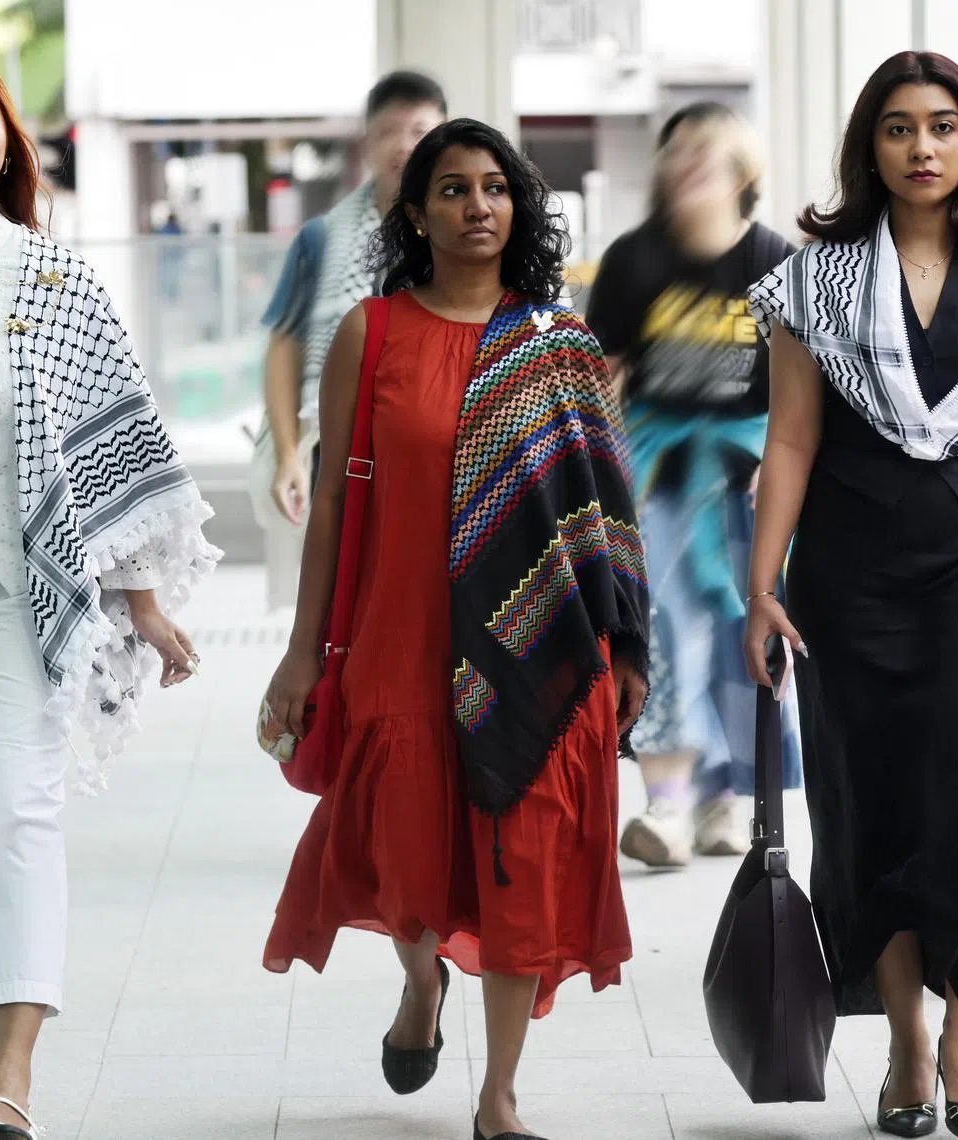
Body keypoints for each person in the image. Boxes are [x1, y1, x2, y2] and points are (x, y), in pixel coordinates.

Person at [261, 118, 649, 1140]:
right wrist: (304, 652)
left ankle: (499, 1098)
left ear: (518, 207)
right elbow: (339, 507)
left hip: (540, 646)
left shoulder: (557, 346)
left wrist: (629, 648)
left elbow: (606, 507)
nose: (477, 207)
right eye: (452, 190)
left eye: (495, 188)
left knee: (522, 858)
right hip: (403, 642)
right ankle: (423, 977)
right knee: (411, 855)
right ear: (417, 213)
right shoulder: (371, 333)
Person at [745, 51, 958, 1139]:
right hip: (849, 564)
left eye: (943, 127)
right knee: (867, 797)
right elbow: (790, 437)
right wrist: (758, 587)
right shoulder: (811, 277)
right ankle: (908, 1041)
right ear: (867, 147)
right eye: (897, 129)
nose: (922, 148)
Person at [0, 50, 219, 1138]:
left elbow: (114, 449)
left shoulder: (57, 281)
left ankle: (11, 1065)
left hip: (22, 585)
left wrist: (141, 599)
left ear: (8, 138)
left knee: (17, 808)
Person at [586, 102, 801, 868]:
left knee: (742, 641)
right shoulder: (633, 260)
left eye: (708, 155)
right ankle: (667, 805)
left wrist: (780, 471)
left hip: (749, 482)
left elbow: (801, 391)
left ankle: (726, 797)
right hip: (659, 479)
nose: (689, 168)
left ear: (743, 172)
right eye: (678, 154)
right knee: (666, 634)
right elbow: (602, 378)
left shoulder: (776, 261)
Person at [254, 70, 446, 610]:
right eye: (389, 131)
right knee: (343, 600)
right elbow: (284, 345)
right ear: (367, 143)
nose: (405, 145)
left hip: (436, 451)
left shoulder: (465, 231)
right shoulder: (321, 238)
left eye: (420, 129)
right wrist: (289, 455)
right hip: (342, 452)